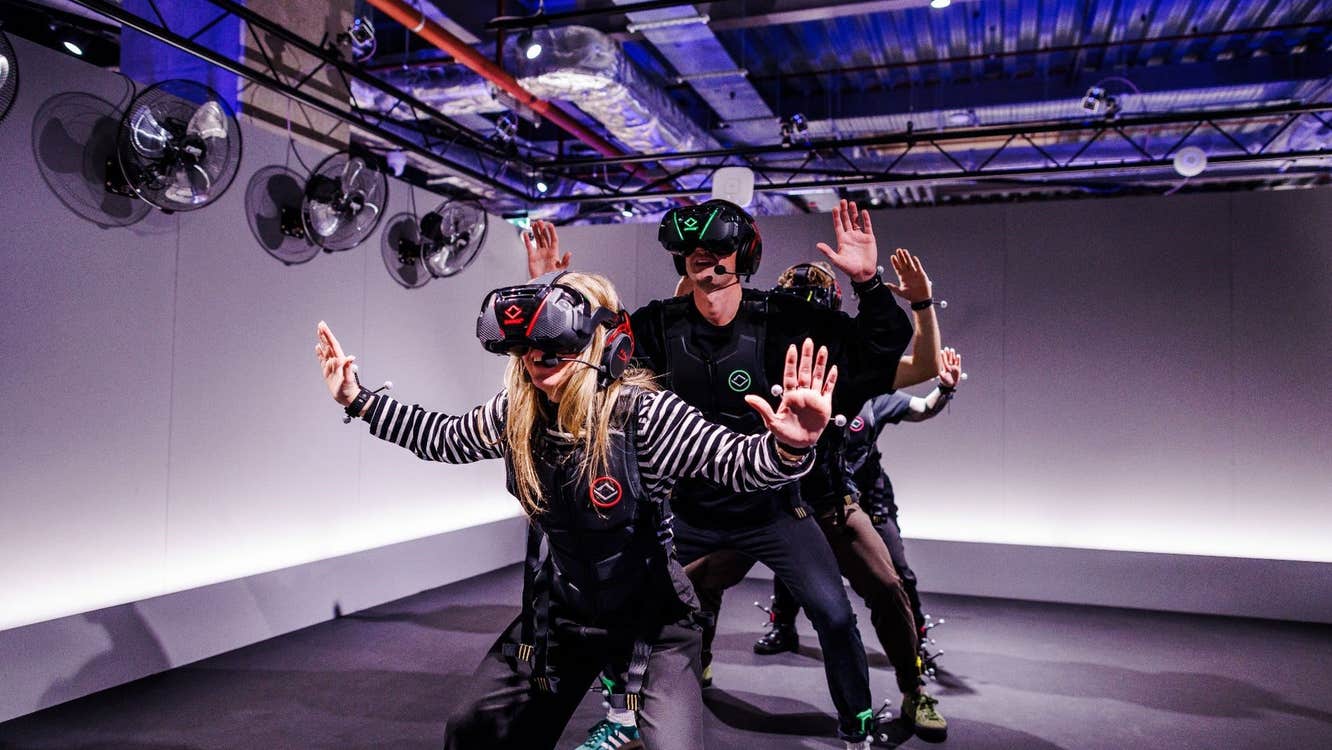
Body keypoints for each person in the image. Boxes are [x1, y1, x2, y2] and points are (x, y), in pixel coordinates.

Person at [314, 270, 838, 750]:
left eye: (555, 343)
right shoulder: (516, 415)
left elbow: (736, 463)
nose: (537, 359)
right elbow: (444, 437)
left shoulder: (643, 415)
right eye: (530, 349)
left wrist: (790, 447)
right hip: (561, 615)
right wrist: (359, 400)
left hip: (653, 620)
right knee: (473, 729)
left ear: (602, 340)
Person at [525, 200, 918, 749]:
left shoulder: (783, 320)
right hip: (687, 514)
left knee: (832, 613)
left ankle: (856, 726)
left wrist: (869, 283)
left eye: (717, 252)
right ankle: (622, 718)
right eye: (692, 253)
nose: (704, 262)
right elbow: (581, 353)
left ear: (744, 255)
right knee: (624, 604)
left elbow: (881, 347)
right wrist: (550, 292)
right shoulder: (658, 326)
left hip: (775, 509)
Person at [686, 260, 952, 742]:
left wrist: (922, 304)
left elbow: (926, 368)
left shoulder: (847, 373)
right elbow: (692, 319)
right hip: (761, 510)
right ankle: (696, 661)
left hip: (829, 506)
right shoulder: (751, 356)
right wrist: (703, 268)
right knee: (698, 579)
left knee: (888, 588)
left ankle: (914, 690)